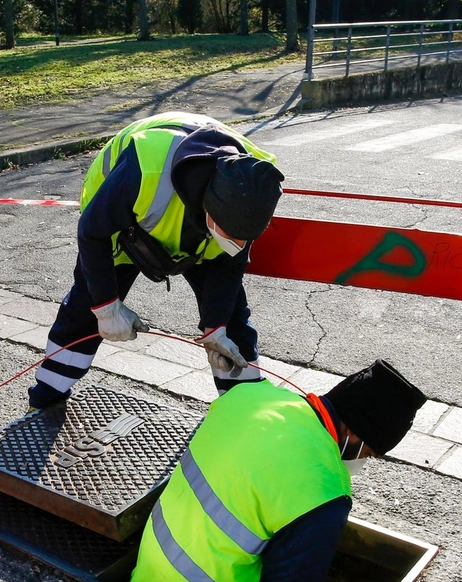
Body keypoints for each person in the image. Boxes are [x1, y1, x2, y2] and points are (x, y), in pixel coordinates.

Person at [127, 360, 426, 582]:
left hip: (146, 577)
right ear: (355, 433)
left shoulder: (249, 397)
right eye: (370, 453)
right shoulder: (324, 488)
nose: (364, 461)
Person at [28, 111, 286, 410]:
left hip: (196, 229)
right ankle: (45, 399)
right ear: (209, 208)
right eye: (231, 236)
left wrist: (216, 327)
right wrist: (107, 308)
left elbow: (230, 264)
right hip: (121, 226)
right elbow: (93, 231)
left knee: (232, 322)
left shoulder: (252, 183)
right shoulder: (146, 169)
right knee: (84, 313)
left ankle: (244, 412)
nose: (239, 246)